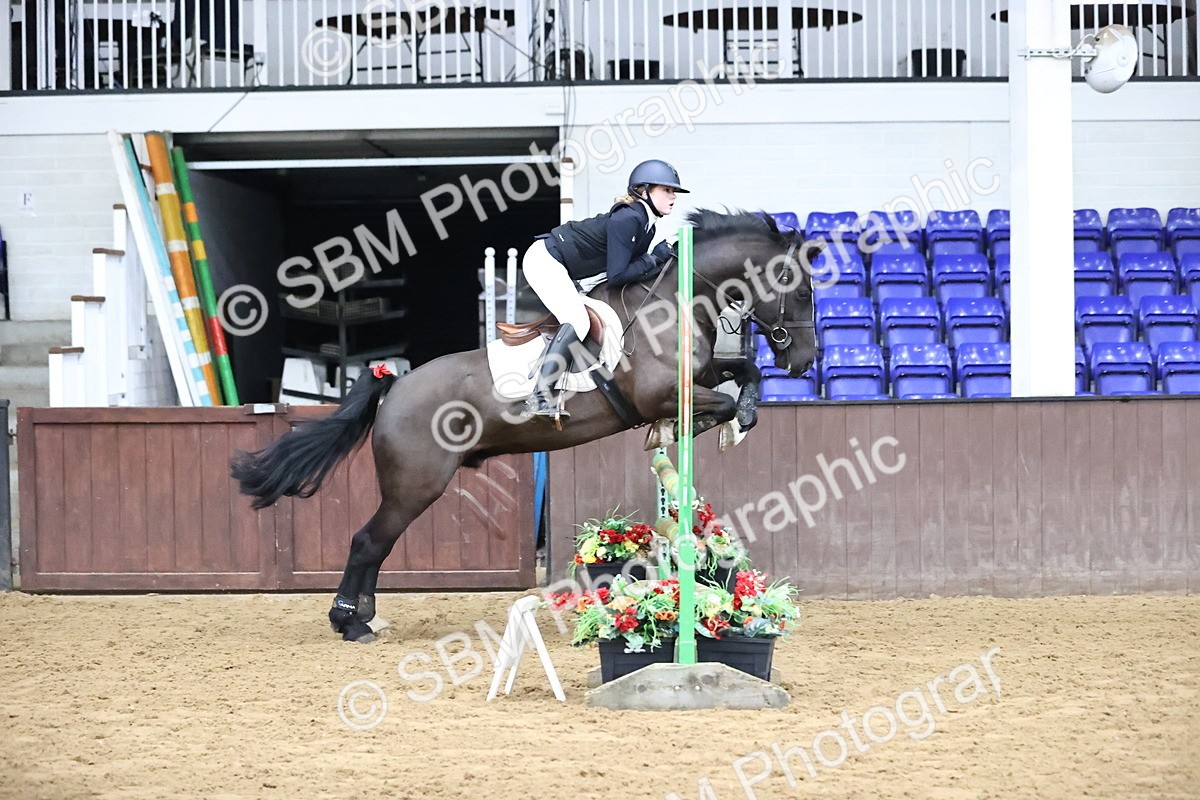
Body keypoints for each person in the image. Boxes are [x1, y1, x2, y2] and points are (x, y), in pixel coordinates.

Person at [520, 159, 689, 421]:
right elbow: (619, 275)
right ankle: (540, 396)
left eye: (673, 192)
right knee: (576, 319)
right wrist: (655, 257)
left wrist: (661, 261)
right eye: (666, 190)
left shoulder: (647, 223)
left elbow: (634, 271)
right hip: (545, 259)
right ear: (643, 191)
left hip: (564, 267)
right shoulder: (629, 218)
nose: (672, 197)